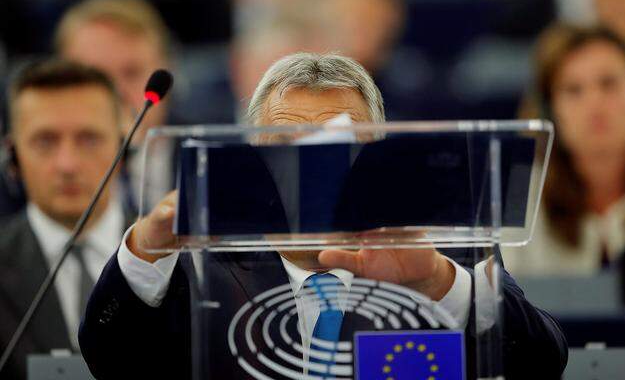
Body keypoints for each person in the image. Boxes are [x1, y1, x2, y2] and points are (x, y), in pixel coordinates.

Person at [79, 53, 567, 379]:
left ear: (375, 155)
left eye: (339, 145)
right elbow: (111, 359)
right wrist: (146, 248)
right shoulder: (199, 260)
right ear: (253, 159)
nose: (313, 169)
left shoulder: (449, 249)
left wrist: (440, 281)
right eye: (287, 146)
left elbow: (541, 364)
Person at [0, 60, 134, 379]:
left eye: (89, 139)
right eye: (45, 141)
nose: (68, 164)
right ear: (14, 156)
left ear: (124, 149)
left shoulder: (181, 265)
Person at [503, 24, 625, 276]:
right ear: (550, 110)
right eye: (573, 90)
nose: (595, 104)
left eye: (609, 84)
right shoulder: (520, 196)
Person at [54, 0, 175, 213]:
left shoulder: (211, 158)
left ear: (165, 70)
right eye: (97, 77)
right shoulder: (28, 176)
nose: (117, 93)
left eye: (132, 72)